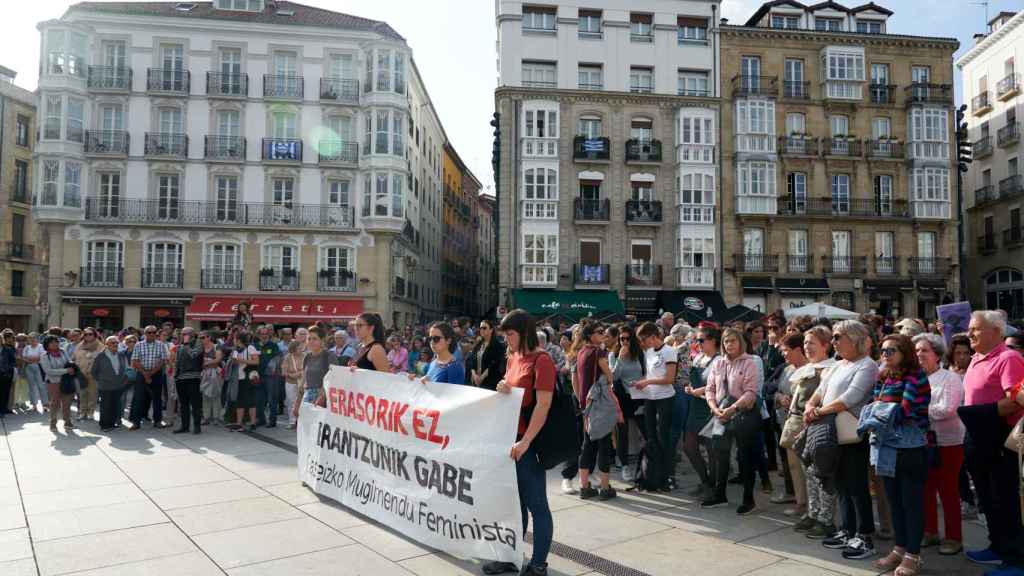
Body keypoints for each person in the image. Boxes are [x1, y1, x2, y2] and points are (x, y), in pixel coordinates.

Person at [484, 309, 554, 576]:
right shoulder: (513, 357)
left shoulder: (542, 360)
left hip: (530, 443)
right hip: (511, 439)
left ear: (523, 332)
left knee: (536, 504)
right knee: (515, 504)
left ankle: (538, 565)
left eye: (510, 334)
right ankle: (512, 557)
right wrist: (504, 385)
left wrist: (526, 442)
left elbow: (543, 405)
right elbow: (514, 388)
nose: (506, 339)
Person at [804, 320, 879, 560]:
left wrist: (818, 411)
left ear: (855, 338)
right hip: (832, 431)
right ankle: (847, 530)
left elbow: (850, 398)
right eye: (834, 337)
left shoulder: (867, 365)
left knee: (857, 486)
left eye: (838, 337)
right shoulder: (837, 365)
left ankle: (865, 535)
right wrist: (810, 405)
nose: (834, 341)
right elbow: (819, 391)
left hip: (852, 435)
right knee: (841, 484)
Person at [960, 310, 1024, 571]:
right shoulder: (976, 358)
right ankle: (997, 546)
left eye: (976, 328)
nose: (969, 333)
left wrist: (980, 414)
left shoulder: (1009, 358)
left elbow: (1015, 399)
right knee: (987, 499)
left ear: (997, 332)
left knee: (1003, 500)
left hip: (998, 438)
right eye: (970, 328)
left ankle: (1016, 559)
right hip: (977, 437)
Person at [867, 334, 930, 576]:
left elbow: (904, 411)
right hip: (885, 447)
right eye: (883, 350)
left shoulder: (916, 376)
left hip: (910, 448)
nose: (885, 354)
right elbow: (875, 405)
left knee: (911, 503)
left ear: (904, 352)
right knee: (894, 502)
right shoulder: (883, 377)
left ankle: (913, 555)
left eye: (891, 350)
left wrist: (876, 414)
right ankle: (900, 548)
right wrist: (878, 413)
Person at [912, 333, 965, 557]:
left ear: (937, 354)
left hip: (948, 442)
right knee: (925, 489)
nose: (919, 355)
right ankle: (930, 531)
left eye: (924, 350)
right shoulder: (915, 378)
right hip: (921, 442)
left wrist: (917, 411)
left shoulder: (950, 378)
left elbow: (947, 410)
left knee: (948, 491)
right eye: (917, 351)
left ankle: (954, 538)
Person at [701, 328, 761, 514]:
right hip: (720, 412)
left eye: (733, 341)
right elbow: (710, 388)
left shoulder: (750, 362)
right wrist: (714, 407)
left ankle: (748, 499)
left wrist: (732, 409)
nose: (729, 345)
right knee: (720, 454)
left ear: (740, 342)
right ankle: (719, 495)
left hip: (743, 413)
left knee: (745, 457)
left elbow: (751, 392)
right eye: (726, 341)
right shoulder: (718, 363)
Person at [791, 326, 838, 538]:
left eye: (811, 343)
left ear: (826, 345)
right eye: (805, 343)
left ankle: (825, 520)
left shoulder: (830, 368)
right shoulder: (809, 368)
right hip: (805, 426)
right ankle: (813, 512)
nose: (806, 347)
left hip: (822, 426)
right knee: (809, 473)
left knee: (822, 474)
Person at [574, 322, 619, 500]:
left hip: (587, 403)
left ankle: (584, 486)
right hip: (600, 403)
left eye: (603, 332)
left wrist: (581, 401)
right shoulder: (598, 352)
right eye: (599, 332)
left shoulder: (581, 352)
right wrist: (609, 380)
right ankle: (605, 488)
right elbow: (609, 375)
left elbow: (576, 378)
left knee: (587, 446)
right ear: (590, 335)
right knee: (604, 445)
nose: (603, 335)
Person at [631, 322, 678, 493]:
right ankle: (652, 474)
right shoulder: (649, 352)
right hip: (650, 397)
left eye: (644, 339)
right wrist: (640, 382)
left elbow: (670, 379)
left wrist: (647, 381)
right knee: (650, 437)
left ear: (653, 336)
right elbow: (650, 374)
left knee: (663, 438)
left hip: (665, 398)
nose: (643, 343)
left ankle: (667, 476)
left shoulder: (669, 351)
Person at [682, 326, 720, 499]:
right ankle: (704, 481)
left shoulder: (720, 360)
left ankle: (713, 486)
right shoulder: (699, 358)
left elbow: (721, 383)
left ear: (712, 341)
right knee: (689, 446)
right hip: (695, 407)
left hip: (710, 407)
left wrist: (700, 391)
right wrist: (690, 388)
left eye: (701, 340)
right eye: (697, 340)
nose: (698, 343)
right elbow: (692, 379)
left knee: (712, 450)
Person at [610, 323, 644, 484]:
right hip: (622, 398)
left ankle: (646, 464)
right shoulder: (614, 355)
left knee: (646, 431)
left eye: (627, 338)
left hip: (639, 397)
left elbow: (645, 372)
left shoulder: (640, 354)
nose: (624, 341)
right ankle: (624, 465)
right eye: (621, 338)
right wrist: (621, 359)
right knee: (622, 433)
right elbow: (614, 377)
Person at [129, 325, 169, 430]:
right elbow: (135, 360)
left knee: (157, 399)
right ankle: (136, 422)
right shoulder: (138, 345)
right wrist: (145, 373)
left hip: (156, 374)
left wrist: (151, 373)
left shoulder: (161, 345)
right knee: (138, 398)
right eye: (149, 332)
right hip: (141, 374)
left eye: (154, 332)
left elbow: (163, 360)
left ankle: (157, 421)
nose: (152, 334)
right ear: (145, 334)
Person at [91, 335, 128, 431]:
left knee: (115, 405)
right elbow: (94, 371)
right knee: (105, 406)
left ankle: (111, 423)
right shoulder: (100, 356)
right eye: (112, 343)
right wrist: (101, 380)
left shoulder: (121, 355)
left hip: (118, 385)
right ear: (106, 344)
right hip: (105, 386)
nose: (115, 344)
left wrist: (124, 380)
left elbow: (126, 368)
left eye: (116, 343)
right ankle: (104, 425)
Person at [173, 327, 204, 435]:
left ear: (192, 334)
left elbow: (193, 355)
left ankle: (197, 426)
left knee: (195, 404)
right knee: (183, 404)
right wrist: (175, 375)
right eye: (182, 334)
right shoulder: (181, 345)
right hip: (181, 378)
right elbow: (177, 361)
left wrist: (186, 345)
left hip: (193, 378)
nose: (182, 335)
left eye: (185, 334)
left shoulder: (198, 344)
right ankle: (185, 426)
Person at [39, 335, 74, 432]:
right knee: (55, 403)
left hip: (66, 381)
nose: (55, 344)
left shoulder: (63, 351)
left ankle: (67, 421)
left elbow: (68, 361)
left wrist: (72, 366)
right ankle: (53, 423)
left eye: (56, 342)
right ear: (47, 345)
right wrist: (66, 370)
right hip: (53, 382)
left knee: (67, 403)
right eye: (52, 342)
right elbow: (49, 371)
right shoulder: (44, 356)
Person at [227, 332, 259, 431]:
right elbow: (235, 362)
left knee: (251, 401)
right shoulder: (236, 350)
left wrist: (241, 360)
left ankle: (253, 423)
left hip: (249, 378)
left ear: (239, 340)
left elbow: (256, 361)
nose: (234, 341)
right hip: (239, 378)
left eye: (235, 339)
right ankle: (239, 423)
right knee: (240, 401)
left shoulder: (250, 348)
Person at [301, 326, 337, 409]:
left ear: (322, 340)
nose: (311, 341)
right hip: (307, 398)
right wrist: (297, 402)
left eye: (314, 339)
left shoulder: (329, 356)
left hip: (324, 399)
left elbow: (334, 378)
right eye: (309, 339)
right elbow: (303, 382)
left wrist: (322, 396)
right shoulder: (307, 357)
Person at [71, 328, 101, 421]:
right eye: (86, 334)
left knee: (93, 394)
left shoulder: (100, 346)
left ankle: (90, 412)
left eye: (90, 334)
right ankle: (82, 412)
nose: (88, 336)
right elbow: (74, 357)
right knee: (82, 394)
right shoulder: (80, 345)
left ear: (95, 335)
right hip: (81, 373)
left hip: (94, 374)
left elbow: (102, 359)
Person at [468, 319, 505, 390]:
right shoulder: (478, 344)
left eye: (484, 328)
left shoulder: (497, 345)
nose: (481, 330)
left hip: (489, 382)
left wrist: (481, 377)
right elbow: (472, 360)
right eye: (480, 328)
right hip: (476, 380)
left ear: (491, 330)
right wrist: (474, 374)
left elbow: (495, 364)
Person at [199, 332, 224, 427]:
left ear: (209, 337)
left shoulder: (216, 346)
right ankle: (206, 417)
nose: (201, 339)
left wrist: (205, 363)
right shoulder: (201, 348)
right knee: (205, 395)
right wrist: (210, 362)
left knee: (216, 395)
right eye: (200, 337)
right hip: (205, 374)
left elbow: (218, 360)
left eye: (203, 337)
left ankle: (216, 417)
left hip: (215, 373)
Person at [21, 333, 47, 413]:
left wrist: (31, 359)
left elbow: (41, 356)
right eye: (30, 338)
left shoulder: (40, 346)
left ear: (37, 339)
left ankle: (45, 405)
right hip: (29, 367)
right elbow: (24, 357)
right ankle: (34, 405)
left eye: (34, 338)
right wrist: (32, 359)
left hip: (38, 367)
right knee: (31, 387)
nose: (32, 340)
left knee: (41, 386)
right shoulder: (27, 347)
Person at [0, 332, 16, 416]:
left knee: (5, 392)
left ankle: (3, 409)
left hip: (6, 374)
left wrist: (8, 368)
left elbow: (13, 361)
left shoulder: (7, 349)